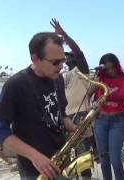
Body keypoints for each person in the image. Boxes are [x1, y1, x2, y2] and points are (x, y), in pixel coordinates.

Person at [0, 32, 81, 179]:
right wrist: (35, 156)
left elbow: (61, 114)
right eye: (55, 62)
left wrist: (73, 127)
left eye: (63, 61)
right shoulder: (15, 85)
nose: (61, 66)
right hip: (34, 168)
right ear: (35, 58)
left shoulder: (58, 80)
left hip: (60, 158)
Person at [86, 53, 124, 180]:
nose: (110, 71)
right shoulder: (99, 79)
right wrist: (89, 109)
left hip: (118, 121)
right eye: (106, 69)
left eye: (112, 67)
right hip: (100, 120)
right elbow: (87, 95)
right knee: (103, 158)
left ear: (117, 65)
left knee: (115, 159)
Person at [51, 19, 92, 179]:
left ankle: (86, 177)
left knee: (82, 152)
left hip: (80, 113)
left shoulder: (81, 71)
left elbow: (78, 51)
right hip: (64, 116)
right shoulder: (60, 75)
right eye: (64, 58)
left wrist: (64, 35)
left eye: (69, 56)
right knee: (64, 152)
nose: (66, 59)